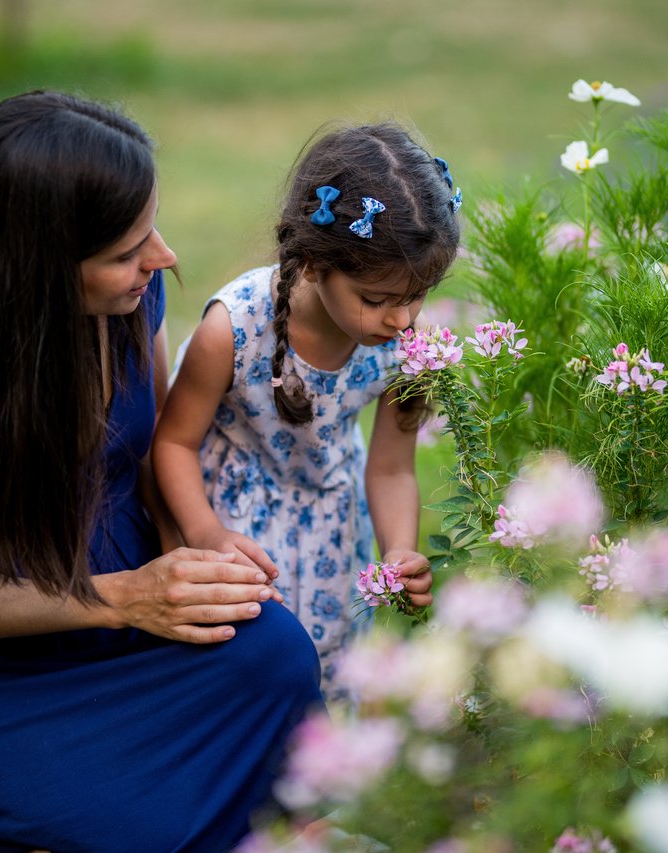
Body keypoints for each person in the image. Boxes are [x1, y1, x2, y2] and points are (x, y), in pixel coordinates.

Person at [0, 90, 323, 853]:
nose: (162, 259)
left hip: (133, 616)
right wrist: (122, 598)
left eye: (150, 229)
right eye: (126, 250)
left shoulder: (131, 300)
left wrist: (192, 545)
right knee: (144, 826)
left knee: (279, 657)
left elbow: (154, 453)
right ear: (32, 266)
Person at [151, 122, 462, 690]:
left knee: (328, 682)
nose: (402, 320)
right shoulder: (234, 328)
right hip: (236, 527)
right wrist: (206, 533)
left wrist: (398, 550)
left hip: (334, 535)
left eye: (418, 295)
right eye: (377, 299)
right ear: (317, 263)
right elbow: (172, 443)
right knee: (242, 679)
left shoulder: (405, 347)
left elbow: (392, 467)